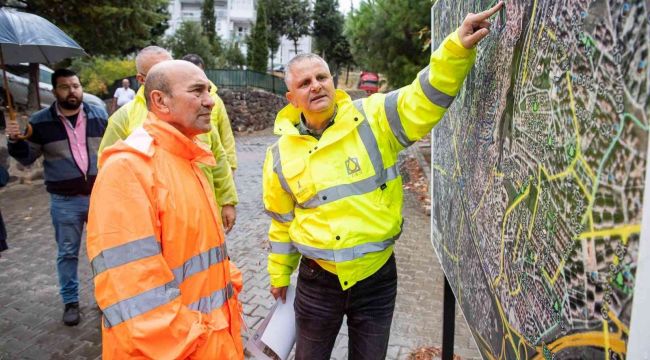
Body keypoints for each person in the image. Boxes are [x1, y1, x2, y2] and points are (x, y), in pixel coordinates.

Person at [262, 3, 504, 359]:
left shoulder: (373, 116)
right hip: (317, 283)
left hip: (376, 281)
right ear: (291, 97)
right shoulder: (279, 155)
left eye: (322, 77)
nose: (316, 86)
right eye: (304, 83)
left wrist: (456, 48)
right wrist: (280, 275)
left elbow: (422, 98)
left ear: (332, 81)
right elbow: (282, 224)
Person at [87, 60, 244, 359]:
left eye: (208, 90)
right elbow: (139, 304)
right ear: (160, 100)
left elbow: (194, 251)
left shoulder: (188, 158)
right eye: (197, 91)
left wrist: (229, 281)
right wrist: (206, 338)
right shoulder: (129, 169)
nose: (210, 100)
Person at [6, 68, 108, 326]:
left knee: (103, 252)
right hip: (65, 201)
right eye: (65, 87)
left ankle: (106, 298)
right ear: (55, 91)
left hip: (99, 197)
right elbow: (27, 159)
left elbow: (112, 151)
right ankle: (71, 302)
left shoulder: (99, 115)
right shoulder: (40, 122)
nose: (72, 91)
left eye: (76, 85)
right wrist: (16, 140)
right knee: (67, 252)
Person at [99, 46, 238, 233]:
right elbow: (109, 171)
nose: (208, 101)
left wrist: (227, 200)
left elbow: (219, 157)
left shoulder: (195, 116)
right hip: (154, 223)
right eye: (158, 71)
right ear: (141, 80)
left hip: (203, 211)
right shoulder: (124, 117)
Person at [181, 53, 238, 173]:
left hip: (212, 167)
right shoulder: (177, 100)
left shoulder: (214, 100)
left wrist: (231, 165)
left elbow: (226, 134)